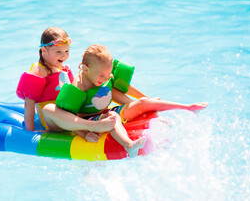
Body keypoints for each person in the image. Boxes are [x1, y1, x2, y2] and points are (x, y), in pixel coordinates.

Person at [42, 44, 208, 157]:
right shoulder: (78, 87)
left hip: (105, 113)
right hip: (89, 120)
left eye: (108, 75)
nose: (105, 78)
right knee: (113, 119)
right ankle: (129, 145)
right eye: (101, 75)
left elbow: (123, 93)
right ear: (85, 69)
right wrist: (84, 133)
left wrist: (148, 102)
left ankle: (188, 107)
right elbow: (70, 116)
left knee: (143, 102)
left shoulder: (103, 79)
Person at [16, 27, 116, 133]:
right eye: (58, 51)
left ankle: (93, 123)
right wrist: (29, 132)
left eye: (66, 51)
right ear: (44, 51)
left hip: (70, 115)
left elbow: (74, 96)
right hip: (52, 119)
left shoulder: (64, 69)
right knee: (50, 108)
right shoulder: (39, 70)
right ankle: (92, 126)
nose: (63, 55)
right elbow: (29, 103)